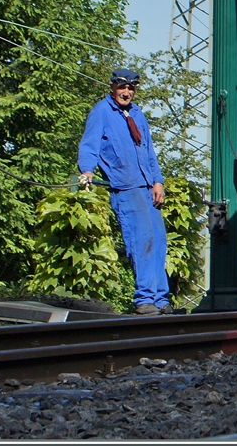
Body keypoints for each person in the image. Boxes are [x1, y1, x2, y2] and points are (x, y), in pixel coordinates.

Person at [77, 69, 171, 315]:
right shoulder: (101, 112)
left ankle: (161, 300)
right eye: (122, 87)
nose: (126, 92)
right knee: (141, 241)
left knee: (158, 241)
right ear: (112, 87)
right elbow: (89, 145)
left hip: (147, 187)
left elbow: (149, 152)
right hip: (126, 188)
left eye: (131, 88)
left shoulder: (137, 114)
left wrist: (157, 182)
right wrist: (87, 170)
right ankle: (145, 299)